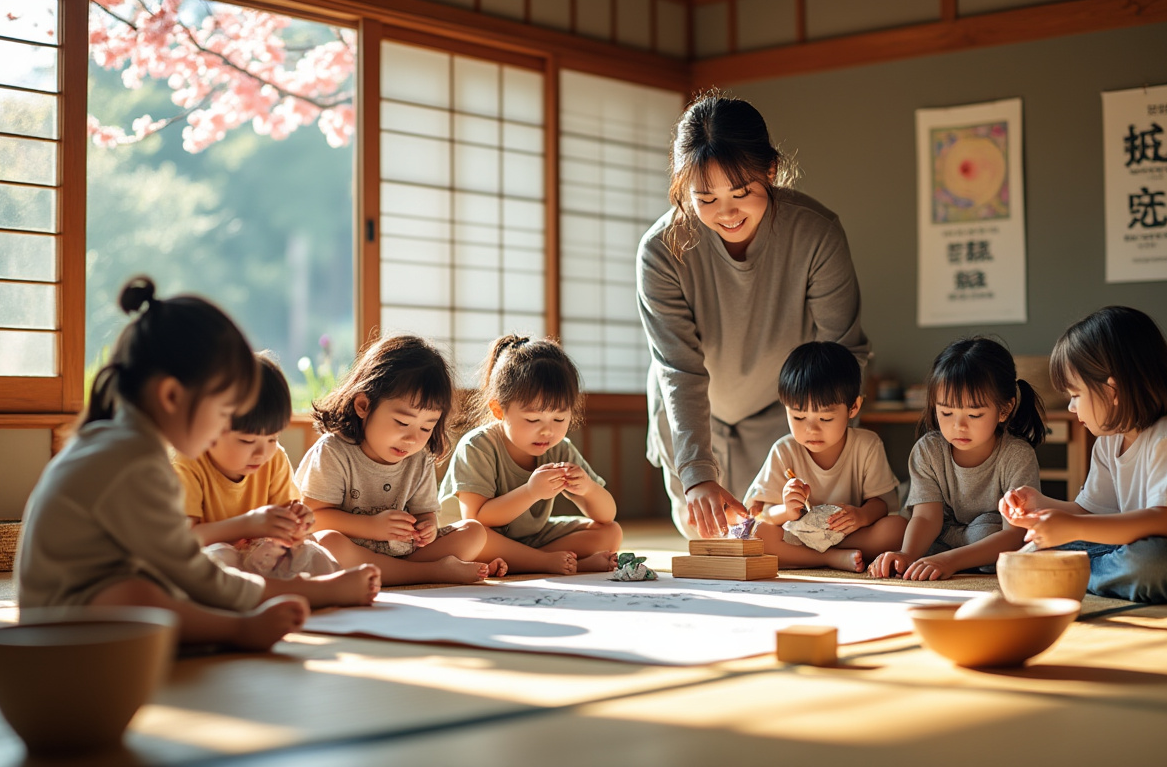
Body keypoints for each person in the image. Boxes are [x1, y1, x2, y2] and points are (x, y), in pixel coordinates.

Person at [16, 277, 380, 652]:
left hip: (73, 611)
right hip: (66, 623)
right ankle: (233, 630)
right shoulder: (132, 461)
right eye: (224, 412)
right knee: (145, 592)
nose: (225, 427)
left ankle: (241, 617)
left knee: (162, 588)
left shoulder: (122, 445)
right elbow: (188, 568)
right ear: (172, 395)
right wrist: (260, 602)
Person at [637, 92, 869, 540]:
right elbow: (678, 369)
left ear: (771, 172)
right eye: (704, 198)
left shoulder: (815, 233)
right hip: (689, 416)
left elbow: (843, 353)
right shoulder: (660, 250)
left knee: (792, 539)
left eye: (741, 193)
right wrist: (698, 473)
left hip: (785, 417)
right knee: (709, 546)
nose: (726, 214)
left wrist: (834, 460)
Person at [1000, 307, 1167, 603]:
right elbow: (1092, 512)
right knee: (1041, 547)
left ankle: (1074, 573)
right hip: (1143, 543)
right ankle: (1079, 570)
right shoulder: (1109, 442)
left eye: (1075, 395)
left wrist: (1070, 528)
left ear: (1112, 390)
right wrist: (1040, 505)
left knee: (1150, 564)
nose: (1072, 408)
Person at [296, 334, 507, 585]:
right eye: (402, 423)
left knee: (474, 533)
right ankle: (430, 572)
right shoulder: (333, 451)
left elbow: (425, 513)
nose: (412, 439)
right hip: (350, 548)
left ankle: (396, 573)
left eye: (426, 427)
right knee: (327, 542)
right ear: (363, 405)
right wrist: (372, 527)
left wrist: (426, 529)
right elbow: (315, 518)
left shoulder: (419, 457)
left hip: (398, 552)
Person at [440, 335, 621, 575]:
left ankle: (539, 560)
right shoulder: (477, 446)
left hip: (527, 539)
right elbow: (477, 517)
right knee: (474, 536)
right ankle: (548, 562)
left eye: (559, 419)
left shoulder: (559, 448)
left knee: (610, 532)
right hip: (474, 538)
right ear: (498, 410)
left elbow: (607, 514)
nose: (548, 430)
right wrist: (531, 492)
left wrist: (587, 488)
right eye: (533, 419)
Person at [870, 338, 1045, 581]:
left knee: (990, 530)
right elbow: (926, 517)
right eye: (946, 412)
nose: (958, 426)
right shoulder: (928, 451)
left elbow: (1015, 534)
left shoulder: (1016, 455)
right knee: (901, 528)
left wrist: (950, 561)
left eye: (974, 414)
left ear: (1004, 410)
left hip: (985, 540)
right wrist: (908, 555)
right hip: (937, 539)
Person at [173, 352, 337, 579]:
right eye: (247, 441)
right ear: (208, 427)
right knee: (216, 559)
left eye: (273, 438)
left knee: (314, 552)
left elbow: (286, 518)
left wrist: (296, 525)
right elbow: (181, 541)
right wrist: (248, 525)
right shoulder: (187, 464)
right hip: (211, 557)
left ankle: (309, 590)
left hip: (259, 556)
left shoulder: (274, 459)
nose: (262, 453)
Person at [744, 342, 904, 572]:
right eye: (798, 417)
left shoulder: (867, 445)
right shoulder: (784, 450)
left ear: (853, 407)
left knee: (897, 528)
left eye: (825, 419)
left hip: (849, 534)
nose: (811, 430)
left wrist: (860, 516)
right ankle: (830, 558)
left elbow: (882, 503)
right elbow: (763, 514)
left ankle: (813, 556)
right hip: (799, 536)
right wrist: (788, 511)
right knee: (756, 533)